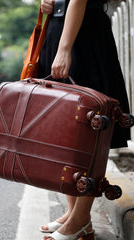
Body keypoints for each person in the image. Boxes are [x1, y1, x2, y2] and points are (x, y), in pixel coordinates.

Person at [37, 0, 131, 239]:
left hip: (82, 36)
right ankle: (75, 215)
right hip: (61, 29)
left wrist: (65, 48)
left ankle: (80, 218)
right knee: (65, 132)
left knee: (88, 133)